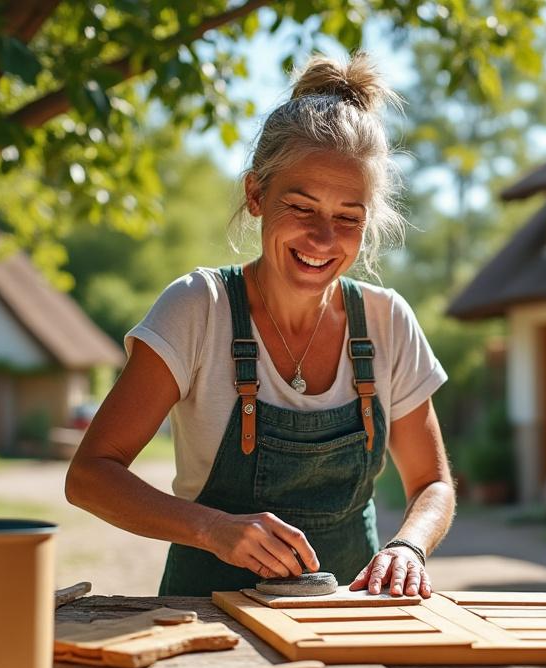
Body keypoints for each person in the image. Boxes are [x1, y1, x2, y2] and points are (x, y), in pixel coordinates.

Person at [65, 53, 453, 598]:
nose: (323, 239)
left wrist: (408, 547)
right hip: (204, 617)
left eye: (348, 218)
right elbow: (89, 476)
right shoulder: (198, 307)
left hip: (345, 622)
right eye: (301, 207)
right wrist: (213, 528)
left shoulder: (388, 322)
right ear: (256, 195)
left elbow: (431, 483)